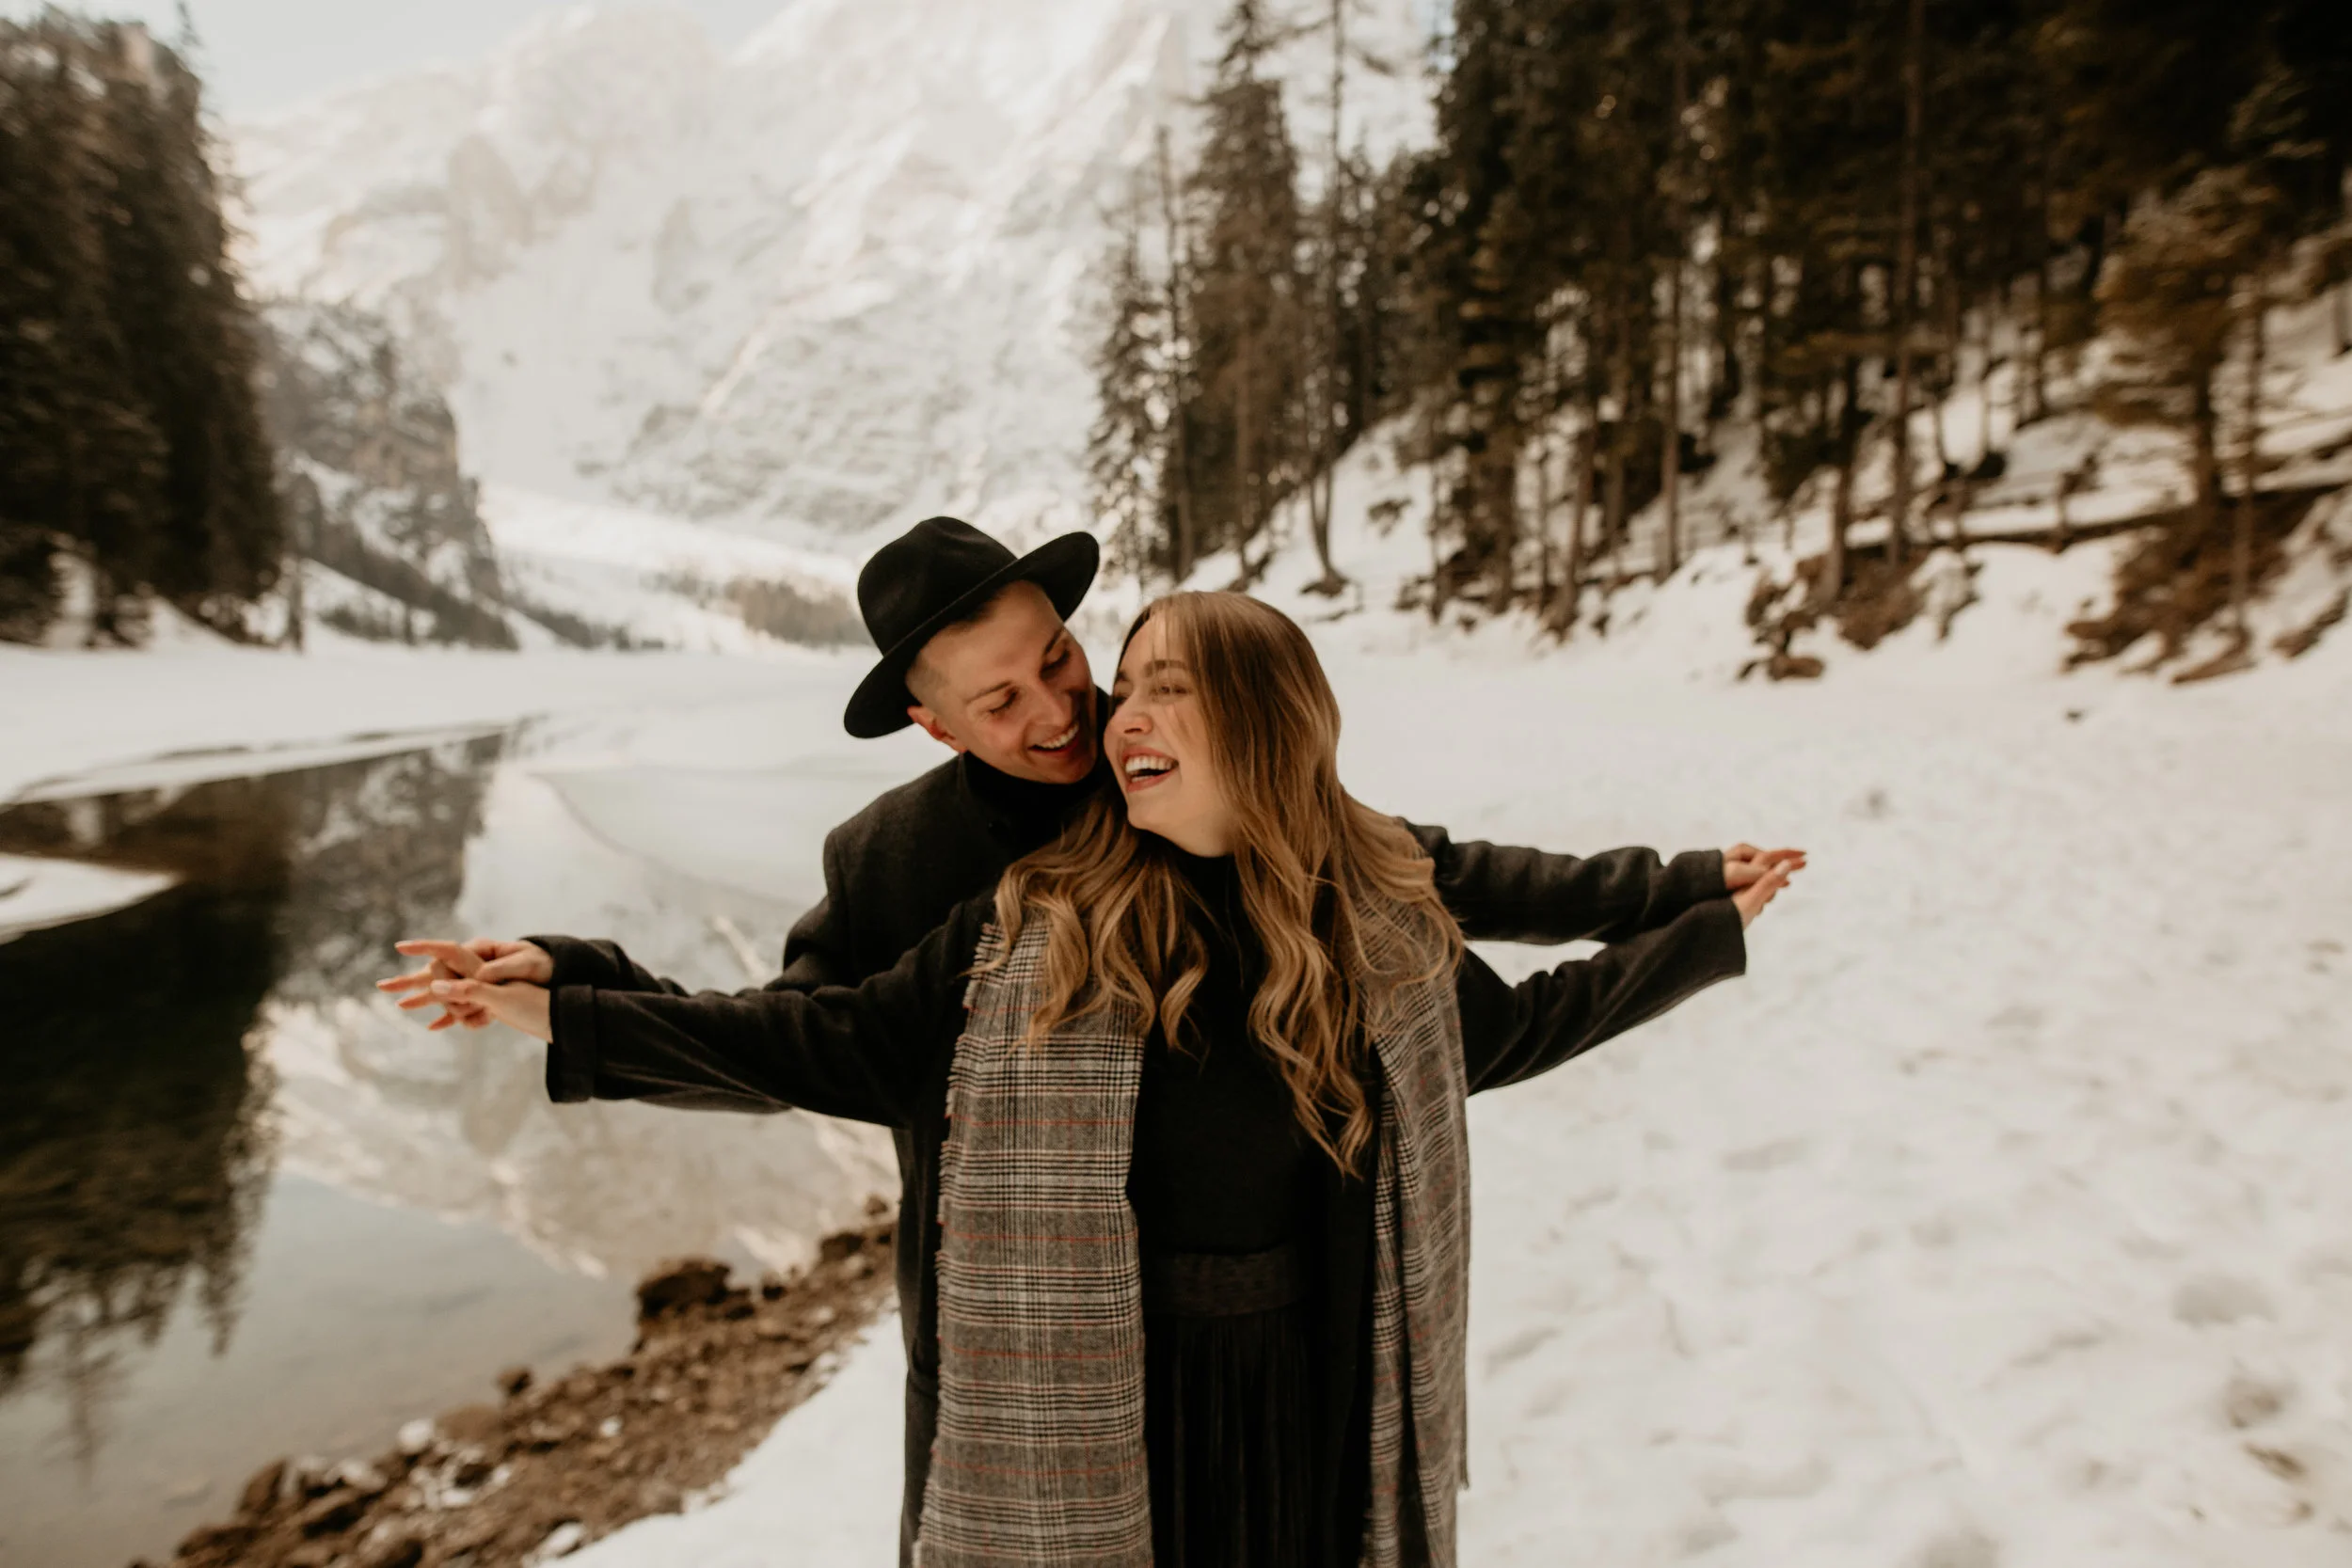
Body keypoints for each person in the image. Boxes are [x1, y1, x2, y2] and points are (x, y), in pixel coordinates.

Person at [393, 591, 1800, 1568]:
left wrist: (1689, 908)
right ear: (942, 723)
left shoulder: (1358, 910)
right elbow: (803, 1040)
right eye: (1015, 699)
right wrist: (571, 999)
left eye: (1098, 672)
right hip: (1074, 1365)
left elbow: (1500, 982)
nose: (1086, 713)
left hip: (1307, 1376)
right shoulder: (1010, 913)